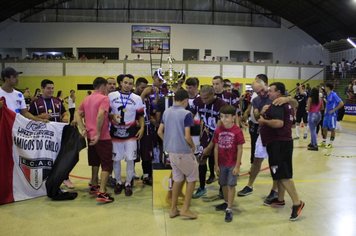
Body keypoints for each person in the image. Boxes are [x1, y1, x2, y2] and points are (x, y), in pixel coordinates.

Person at [258, 82, 305, 221]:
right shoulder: (284, 103)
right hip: (281, 143)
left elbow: (279, 123)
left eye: (271, 91)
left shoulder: (278, 104)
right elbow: (295, 103)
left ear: (278, 92)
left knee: (283, 174)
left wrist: (264, 121)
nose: (268, 93)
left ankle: (297, 202)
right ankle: (280, 199)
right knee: (279, 174)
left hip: (279, 143)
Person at [157, 89, 198, 219]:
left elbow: (159, 132)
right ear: (185, 100)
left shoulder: (166, 111)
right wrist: (193, 146)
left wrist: (168, 142)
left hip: (171, 152)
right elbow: (187, 136)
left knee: (178, 178)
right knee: (192, 178)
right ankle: (185, 208)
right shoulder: (186, 114)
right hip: (183, 151)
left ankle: (173, 209)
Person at [75, 77, 114, 203]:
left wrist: (82, 128)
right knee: (107, 165)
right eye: (107, 85)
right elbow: (100, 115)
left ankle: (94, 184)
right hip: (102, 137)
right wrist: (98, 133)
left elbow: (77, 113)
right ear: (103, 86)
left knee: (95, 161)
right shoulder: (104, 98)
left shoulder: (87, 98)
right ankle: (102, 192)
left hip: (90, 136)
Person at [109, 74, 144, 196]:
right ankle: (118, 182)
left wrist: (142, 128)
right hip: (115, 134)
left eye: (130, 83)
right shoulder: (111, 96)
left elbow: (140, 115)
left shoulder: (137, 98)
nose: (128, 85)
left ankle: (128, 183)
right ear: (120, 83)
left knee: (130, 159)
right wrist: (112, 116)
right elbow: (106, 113)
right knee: (116, 159)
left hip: (131, 134)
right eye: (125, 83)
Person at [190, 85, 226, 198]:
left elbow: (219, 129)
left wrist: (210, 147)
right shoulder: (198, 101)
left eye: (206, 98)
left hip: (220, 136)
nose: (203, 100)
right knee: (201, 159)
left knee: (220, 164)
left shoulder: (221, 105)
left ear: (213, 95)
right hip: (205, 133)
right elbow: (190, 116)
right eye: (202, 97)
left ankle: (222, 189)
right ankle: (201, 187)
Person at [213, 105, 245, 222]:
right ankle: (226, 202)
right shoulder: (218, 130)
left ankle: (229, 209)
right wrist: (216, 164)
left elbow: (240, 149)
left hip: (232, 163)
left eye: (226, 117)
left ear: (233, 117)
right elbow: (216, 148)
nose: (223, 119)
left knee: (231, 185)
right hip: (221, 163)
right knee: (223, 184)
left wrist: (237, 166)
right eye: (221, 117)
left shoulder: (237, 131)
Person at [319, 83, 344, 149]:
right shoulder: (328, 95)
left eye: (325, 87)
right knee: (324, 128)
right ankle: (324, 142)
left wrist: (333, 110)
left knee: (332, 129)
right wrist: (325, 101)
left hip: (332, 115)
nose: (324, 88)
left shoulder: (334, 95)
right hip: (326, 114)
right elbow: (330, 103)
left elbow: (341, 103)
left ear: (328, 88)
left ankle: (330, 143)